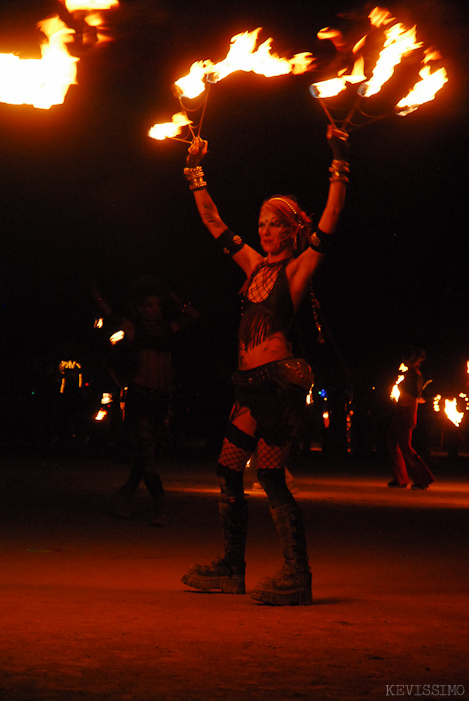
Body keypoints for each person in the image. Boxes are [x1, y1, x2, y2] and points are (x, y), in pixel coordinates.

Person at [181, 125, 350, 605]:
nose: (264, 230)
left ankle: (298, 576)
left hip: (278, 384)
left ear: (293, 228)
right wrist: (195, 172)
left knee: (271, 475)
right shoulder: (255, 266)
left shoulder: (297, 270)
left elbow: (333, 214)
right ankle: (233, 568)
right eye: (260, 223)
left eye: (274, 223)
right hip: (249, 385)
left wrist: (339, 159)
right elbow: (214, 222)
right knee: (228, 467)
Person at [94, 275, 198, 525]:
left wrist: (173, 297)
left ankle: (125, 493)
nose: (154, 309)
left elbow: (193, 315)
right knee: (148, 457)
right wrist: (95, 293)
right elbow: (108, 312)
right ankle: (161, 507)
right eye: (149, 305)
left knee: (146, 456)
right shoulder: (134, 329)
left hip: (162, 401)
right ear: (140, 308)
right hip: (140, 398)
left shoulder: (167, 330)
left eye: (157, 305)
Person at [387, 346, 435, 490]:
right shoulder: (409, 374)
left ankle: (423, 479)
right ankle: (401, 478)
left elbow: (414, 398)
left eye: (405, 358)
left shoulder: (415, 376)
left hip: (406, 413)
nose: (403, 360)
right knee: (392, 443)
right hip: (400, 411)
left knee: (405, 448)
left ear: (411, 360)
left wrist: (411, 417)